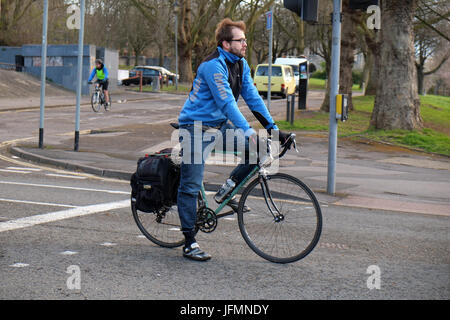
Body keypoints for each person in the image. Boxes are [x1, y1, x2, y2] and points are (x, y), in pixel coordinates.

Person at [176, 18, 290, 262]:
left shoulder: (241, 65)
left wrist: (274, 130)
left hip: (218, 127)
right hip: (195, 128)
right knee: (190, 185)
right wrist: (248, 131)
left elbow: (253, 99)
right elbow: (227, 103)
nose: (245, 44)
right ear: (226, 44)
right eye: (241, 40)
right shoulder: (213, 66)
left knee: (259, 148)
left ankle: (227, 189)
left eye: (245, 40)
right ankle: (189, 242)